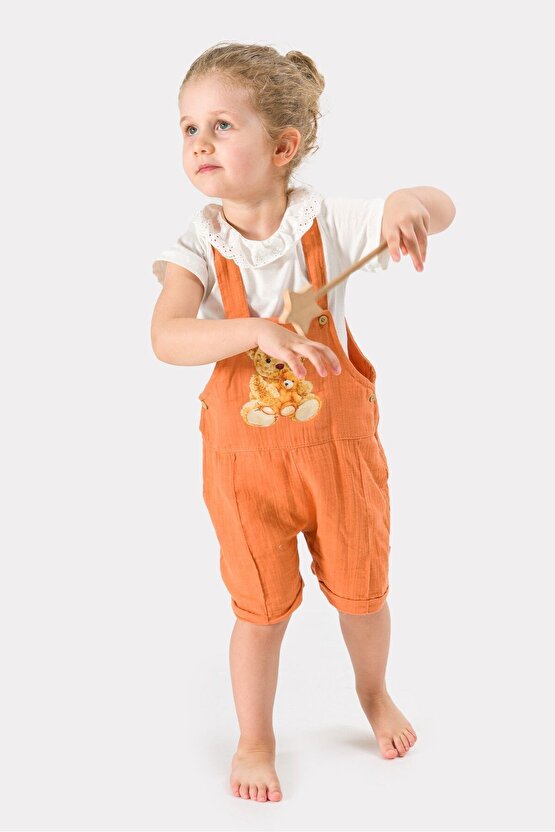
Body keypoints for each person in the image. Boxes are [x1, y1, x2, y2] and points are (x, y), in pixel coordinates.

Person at [150, 41, 456, 803]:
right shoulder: (194, 245)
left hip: (338, 456)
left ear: (282, 147)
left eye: (222, 125)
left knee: (362, 594)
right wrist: (256, 330)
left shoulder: (327, 223)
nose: (200, 142)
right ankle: (255, 738)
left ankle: (373, 693)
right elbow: (167, 338)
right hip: (243, 470)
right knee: (258, 610)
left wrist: (408, 205)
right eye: (188, 128)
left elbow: (438, 204)